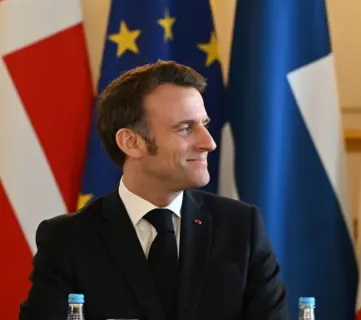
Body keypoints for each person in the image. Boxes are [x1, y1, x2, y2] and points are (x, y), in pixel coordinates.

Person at [19, 60, 290, 320]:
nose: (208, 143)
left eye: (204, 124)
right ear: (131, 142)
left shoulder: (242, 228)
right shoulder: (68, 241)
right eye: (185, 128)